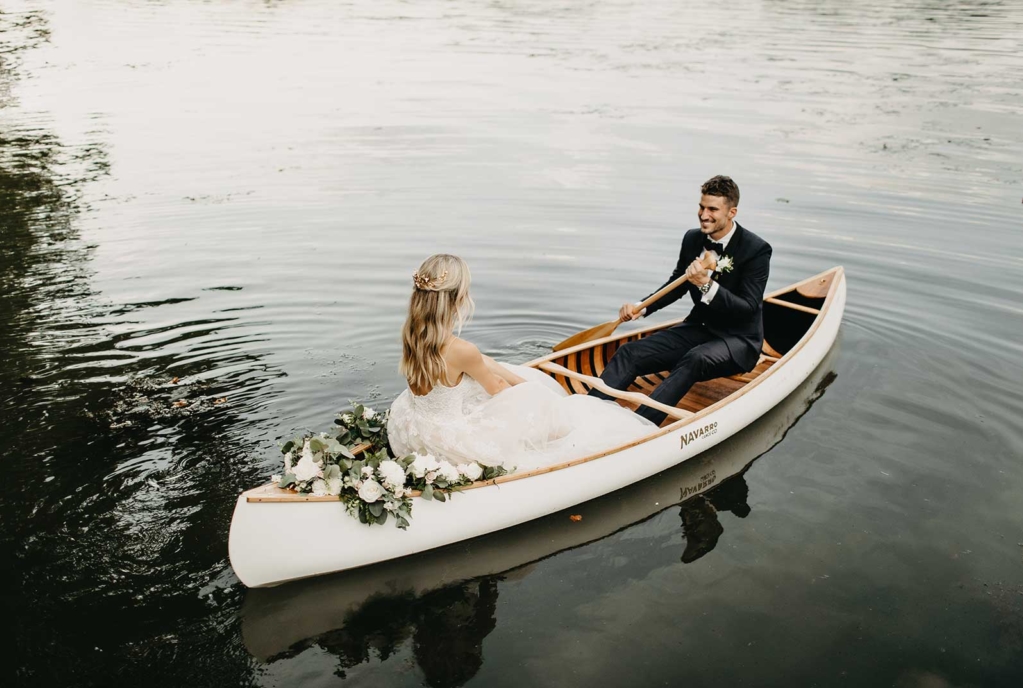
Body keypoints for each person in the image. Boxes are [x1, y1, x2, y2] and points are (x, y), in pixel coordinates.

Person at [387, 254, 655, 471]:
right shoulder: (462, 350)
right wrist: (531, 392)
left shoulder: (411, 333)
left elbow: (480, 363)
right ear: (457, 299)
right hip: (451, 441)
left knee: (518, 379)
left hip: (415, 427)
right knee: (537, 395)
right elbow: (499, 388)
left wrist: (515, 377)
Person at [589, 175, 772, 426]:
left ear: (732, 212)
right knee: (629, 352)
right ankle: (585, 413)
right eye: (701, 207)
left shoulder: (757, 250)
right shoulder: (692, 238)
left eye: (712, 209)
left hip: (738, 340)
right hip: (699, 329)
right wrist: (640, 308)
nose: (703, 215)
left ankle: (637, 428)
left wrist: (706, 285)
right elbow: (676, 284)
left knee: (696, 358)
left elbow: (748, 308)